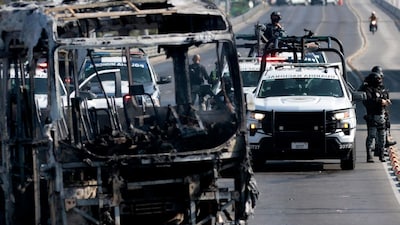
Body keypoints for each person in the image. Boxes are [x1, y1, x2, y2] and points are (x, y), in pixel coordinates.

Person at [360, 72, 390, 162]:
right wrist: (380, 101)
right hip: (372, 116)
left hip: (382, 116)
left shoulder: (381, 89)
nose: (379, 81)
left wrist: (386, 101)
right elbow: (369, 101)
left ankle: (381, 155)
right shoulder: (368, 89)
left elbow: (385, 97)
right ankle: (369, 155)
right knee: (371, 135)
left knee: (382, 137)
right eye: (377, 79)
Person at [371, 65, 396, 148]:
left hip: (381, 110)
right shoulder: (370, 86)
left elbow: (384, 94)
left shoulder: (380, 85)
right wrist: (380, 101)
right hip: (373, 112)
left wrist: (386, 100)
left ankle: (383, 143)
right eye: (379, 76)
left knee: (385, 124)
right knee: (374, 131)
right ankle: (377, 146)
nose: (380, 78)